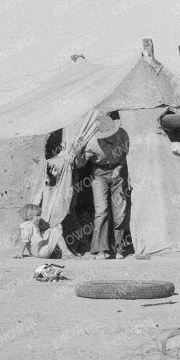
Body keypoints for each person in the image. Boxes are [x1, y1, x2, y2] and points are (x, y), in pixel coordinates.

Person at [75, 110, 132, 258]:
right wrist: (77, 153)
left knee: (120, 211)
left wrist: (119, 168)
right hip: (99, 175)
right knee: (101, 212)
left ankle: (119, 248)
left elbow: (127, 155)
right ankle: (101, 250)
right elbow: (81, 165)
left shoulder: (123, 135)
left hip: (118, 174)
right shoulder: (93, 143)